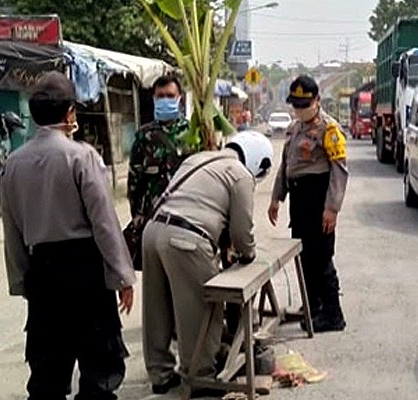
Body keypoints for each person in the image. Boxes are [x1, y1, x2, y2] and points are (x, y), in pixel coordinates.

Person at [1, 71, 136, 400]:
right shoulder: (81, 156)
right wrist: (122, 276)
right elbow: (103, 222)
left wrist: (21, 280)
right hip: (85, 272)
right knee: (100, 367)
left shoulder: (13, 163)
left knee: (47, 371)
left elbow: (12, 229)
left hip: (43, 273)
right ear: (69, 114)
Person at [142, 131, 273, 397]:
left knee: (157, 307)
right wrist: (248, 255)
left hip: (153, 232)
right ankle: (201, 377)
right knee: (203, 312)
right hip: (187, 240)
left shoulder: (198, 158)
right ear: (258, 163)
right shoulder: (240, 174)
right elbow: (241, 231)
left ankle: (160, 374)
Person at [268, 75, 349, 333]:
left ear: (317, 101)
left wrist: (332, 208)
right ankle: (313, 306)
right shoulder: (294, 128)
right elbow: (286, 166)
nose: (300, 110)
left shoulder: (329, 129)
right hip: (299, 202)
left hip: (319, 200)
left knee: (321, 258)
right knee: (303, 257)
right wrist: (276, 198)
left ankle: (333, 314)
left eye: (304, 104)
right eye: (296, 105)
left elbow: (339, 171)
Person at [128, 75, 196, 226]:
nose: (165, 100)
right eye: (160, 96)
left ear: (180, 98)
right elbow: (135, 180)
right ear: (154, 99)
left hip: (186, 214)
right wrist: (137, 213)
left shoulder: (193, 133)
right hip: (153, 215)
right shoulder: (144, 136)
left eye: (170, 96)